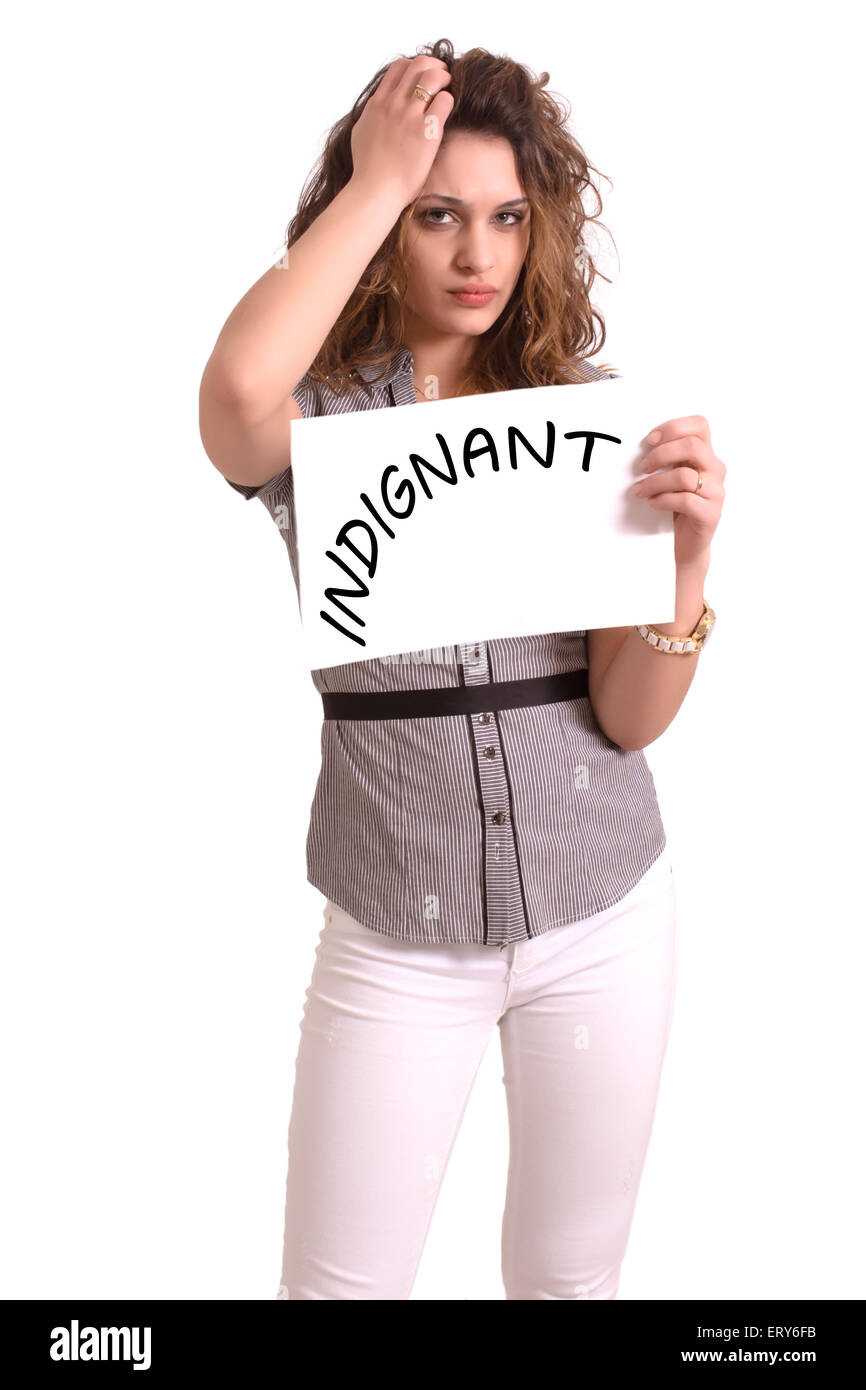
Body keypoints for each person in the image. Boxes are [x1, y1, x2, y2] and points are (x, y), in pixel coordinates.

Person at [198, 38, 726, 1300]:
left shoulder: (581, 414)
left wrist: (688, 567)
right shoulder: (320, 421)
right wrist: (377, 181)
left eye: (502, 217)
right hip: (396, 925)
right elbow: (230, 394)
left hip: (604, 910)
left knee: (569, 1282)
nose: (476, 255)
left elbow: (627, 719)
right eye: (438, 216)